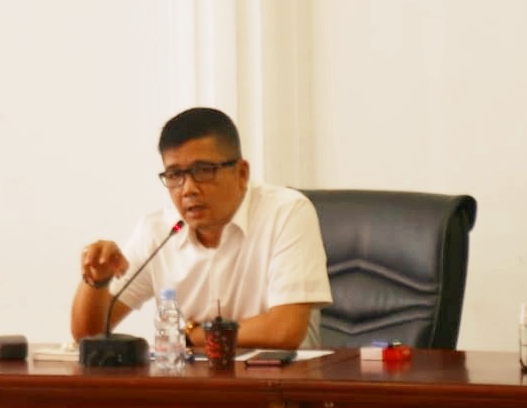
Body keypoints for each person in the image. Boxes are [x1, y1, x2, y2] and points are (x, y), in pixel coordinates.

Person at [72, 107, 332, 350]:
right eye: (175, 175)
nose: (188, 189)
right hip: (193, 380)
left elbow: (284, 330)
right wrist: (97, 281)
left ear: (242, 173)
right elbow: (88, 336)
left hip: (279, 379)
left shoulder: (286, 212)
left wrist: (190, 336)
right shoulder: (158, 231)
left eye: (204, 170)